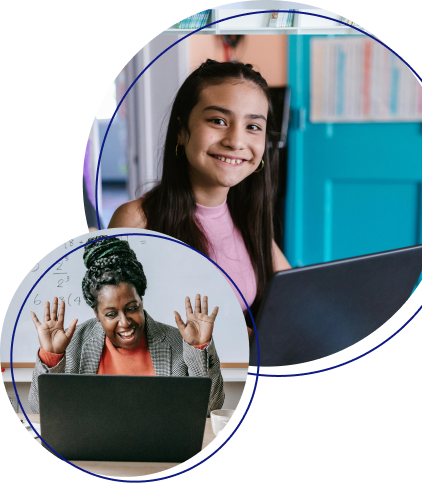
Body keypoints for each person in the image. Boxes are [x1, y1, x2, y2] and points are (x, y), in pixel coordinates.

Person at [108, 59, 292, 337]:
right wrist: (235, 337)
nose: (236, 141)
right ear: (181, 132)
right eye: (218, 121)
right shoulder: (137, 219)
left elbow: (296, 300)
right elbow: (116, 327)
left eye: (253, 127)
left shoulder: (248, 219)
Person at [28, 236, 224, 416]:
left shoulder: (177, 343)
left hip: (158, 451)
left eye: (132, 308)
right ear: (96, 313)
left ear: (141, 301)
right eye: (111, 314)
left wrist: (199, 349)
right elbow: (39, 410)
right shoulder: (72, 344)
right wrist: (51, 357)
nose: (124, 322)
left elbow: (210, 410)